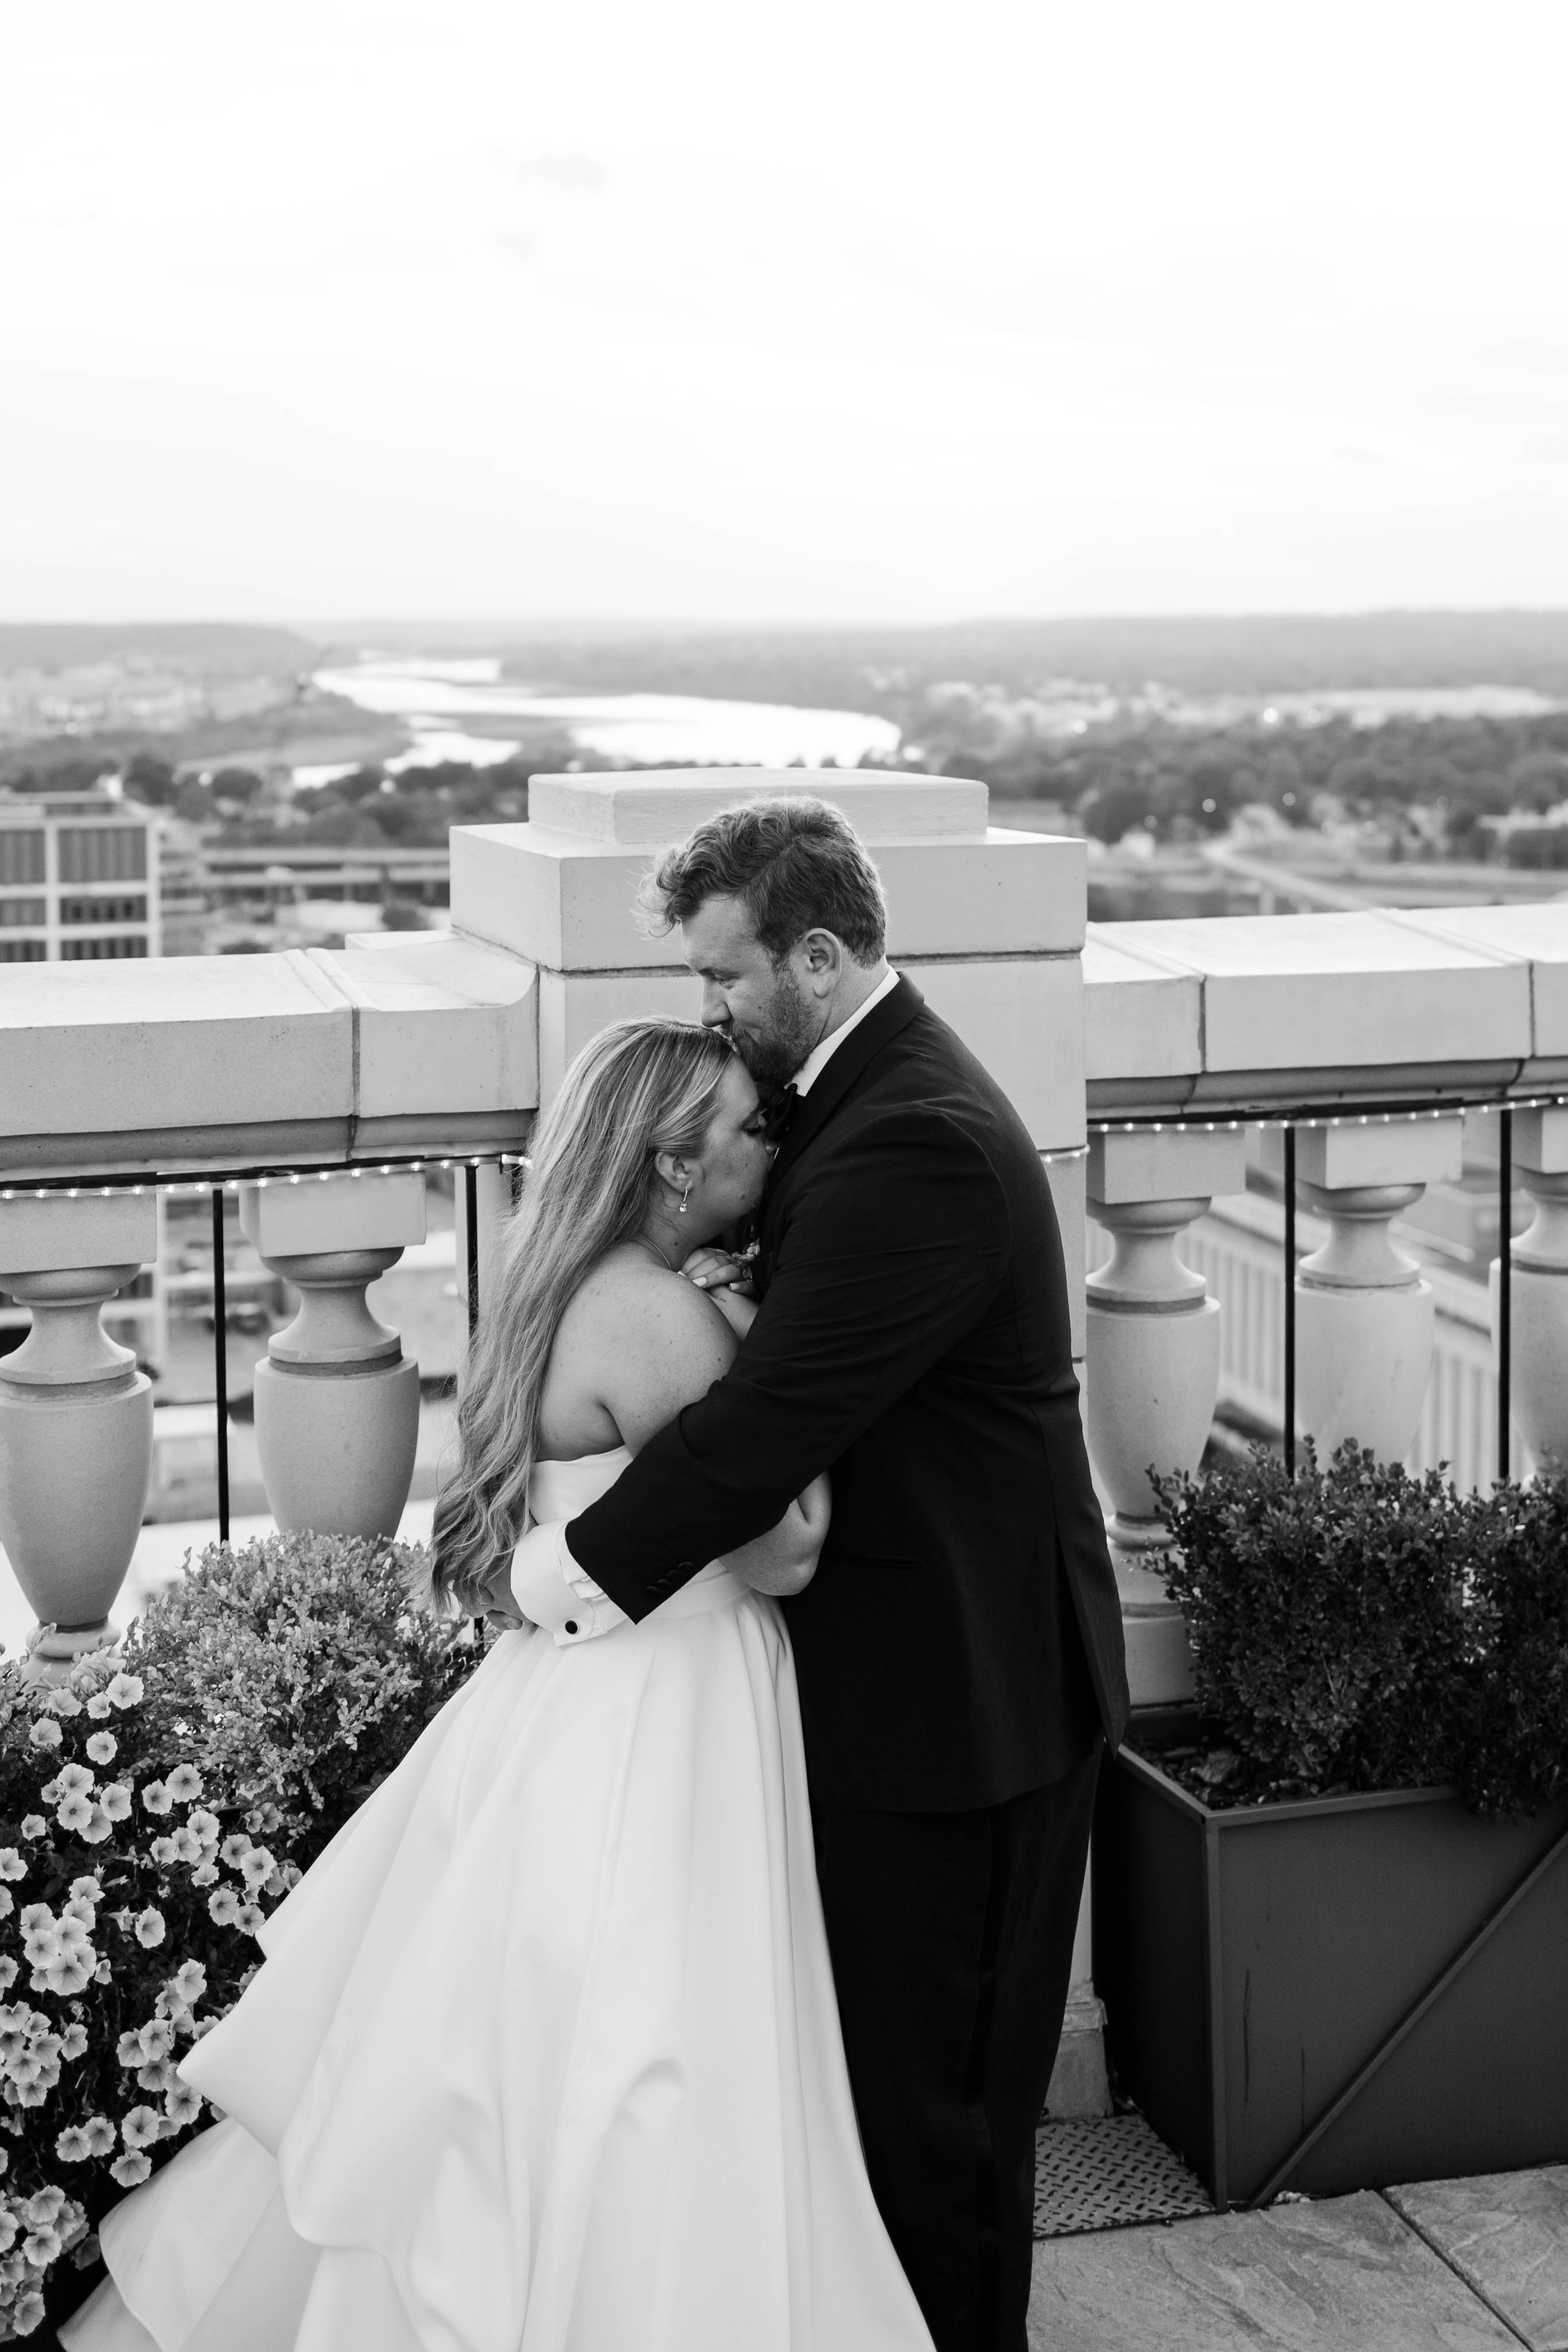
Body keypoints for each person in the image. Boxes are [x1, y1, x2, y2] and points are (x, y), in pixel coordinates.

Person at [63, 1018, 937, 2352]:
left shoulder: (565, 1287)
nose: (776, 1141)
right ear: (672, 1164)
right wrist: (766, 1333)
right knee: (645, 2055)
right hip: (658, 1716)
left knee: (544, 2048)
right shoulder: (657, 1315)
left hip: (577, 1699)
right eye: (751, 1125)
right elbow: (790, 1545)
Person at [511, 796, 1130, 2352]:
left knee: (943, 2132)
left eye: (726, 975)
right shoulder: (853, 1100)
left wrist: (556, 1578)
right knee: (876, 2111)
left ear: (817, 955)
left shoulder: (912, 1135)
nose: (711, 1006)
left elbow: (765, 1429)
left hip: (963, 1709)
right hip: (893, 1694)